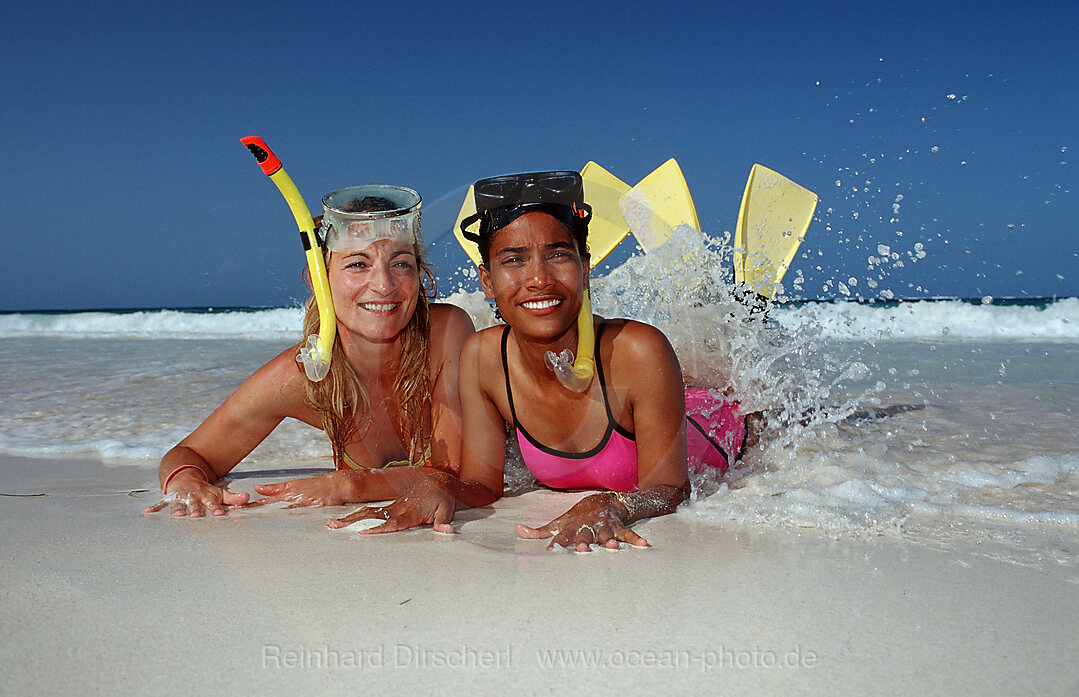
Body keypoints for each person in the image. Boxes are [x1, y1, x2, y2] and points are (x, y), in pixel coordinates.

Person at [328, 171, 748, 550]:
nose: (538, 278)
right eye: (513, 260)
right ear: (487, 281)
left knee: (745, 404)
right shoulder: (483, 357)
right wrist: (438, 486)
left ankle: (747, 309)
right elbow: (481, 484)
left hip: (709, 425)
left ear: (585, 269)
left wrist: (610, 504)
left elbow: (670, 489)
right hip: (647, 408)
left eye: (559, 255)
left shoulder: (639, 350)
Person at [145, 185, 474, 518]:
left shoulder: (445, 334)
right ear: (320, 278)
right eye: (358, 264)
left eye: (401, 264)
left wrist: (348, 485)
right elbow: (191, 452)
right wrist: (186, 482)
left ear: (418, 274)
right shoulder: (306, 375)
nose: (384, 285)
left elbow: (453, 474)